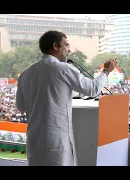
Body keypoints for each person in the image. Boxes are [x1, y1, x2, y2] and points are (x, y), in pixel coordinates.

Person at [16, 30, 117, 166]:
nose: (68, 50)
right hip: (56, 140)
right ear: (55, 46)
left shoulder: (25, 74)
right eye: (66, 45)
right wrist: (106, 71)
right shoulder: (63, 69)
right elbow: (93, 89)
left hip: (34, 140)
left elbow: (21, 106)